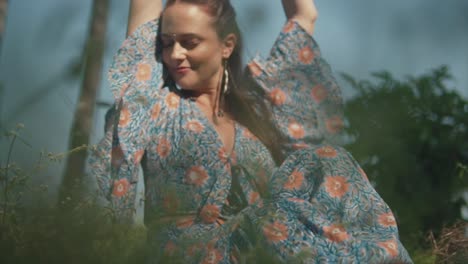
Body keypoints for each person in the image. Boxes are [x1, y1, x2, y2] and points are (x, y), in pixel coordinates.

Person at [89, 0, 413, 263]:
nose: (175, 55)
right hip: (187, 255)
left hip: (262, 248)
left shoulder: (260, 111)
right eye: (165, 44)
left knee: (328, 160)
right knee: (270, 216)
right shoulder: (153, 103)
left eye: (189, 42)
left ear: (226, 45)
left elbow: (304, 13)